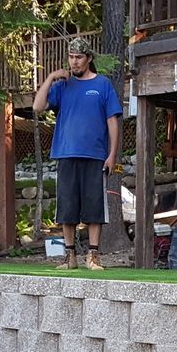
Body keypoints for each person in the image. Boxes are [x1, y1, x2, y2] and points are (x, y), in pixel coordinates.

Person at [34, 39, 122, 270]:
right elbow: (37, 106)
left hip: (95, 155)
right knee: (67, 207)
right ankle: (70, 256)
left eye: (79, 57)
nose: (74, 61)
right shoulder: (62, 86)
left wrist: (112, 154)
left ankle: (93, 256)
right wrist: (51, 77)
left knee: (94, 206)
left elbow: (112, 121)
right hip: (66, 153)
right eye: (71, 57)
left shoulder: (103, 84)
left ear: (88, 58)